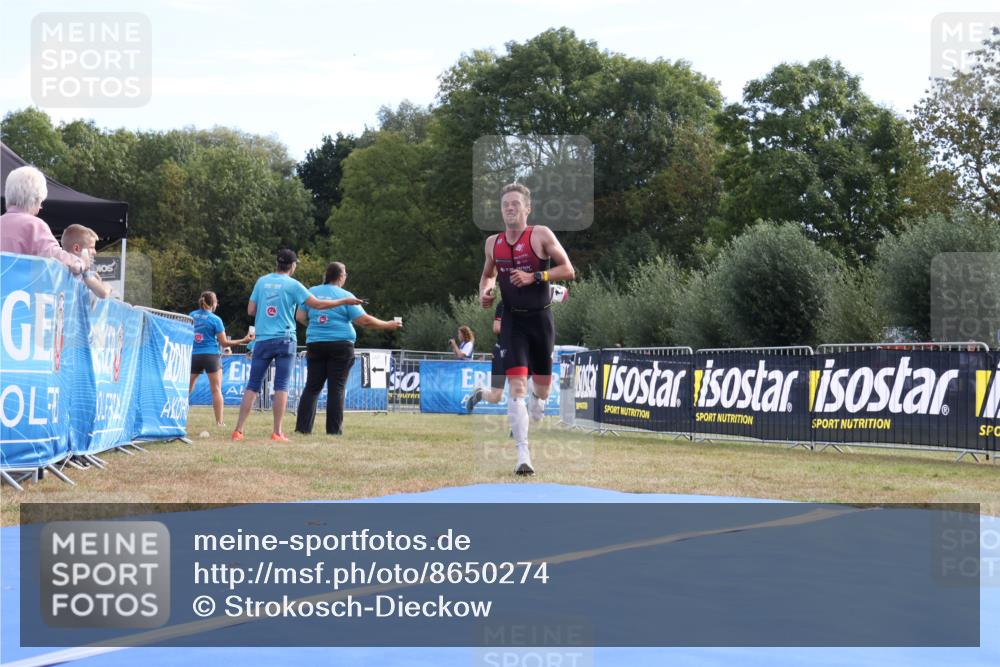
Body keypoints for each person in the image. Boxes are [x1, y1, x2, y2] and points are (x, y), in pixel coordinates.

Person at [479, 183, 575, 475]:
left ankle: (538, 400)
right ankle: (523, 455)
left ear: (527, 208)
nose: (509, 208)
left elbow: (568, 270)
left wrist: (536, 276)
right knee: (516, 388)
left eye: (515, 204)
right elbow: (487, 275)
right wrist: (486, 291)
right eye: (505, 204)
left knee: (541, 392)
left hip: (540, 320)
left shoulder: (541, 235)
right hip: (512, 321)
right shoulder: (492, 243)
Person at [231, 249, 363, 442]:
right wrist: (345, 300)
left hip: (262, 340)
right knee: (281, 386)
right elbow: (317, 305)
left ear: (277, 264)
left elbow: (251, 310)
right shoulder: (294, 285)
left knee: (253, 385)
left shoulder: (262, 281)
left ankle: (238, 430)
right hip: (285, 339)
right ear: (293, 266)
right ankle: (277, 432)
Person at [293, 262, 403, 436]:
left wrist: (316, 326)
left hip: (315, 343)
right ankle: (333, 431)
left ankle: (302, 429)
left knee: (312, 387)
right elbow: (364, 321)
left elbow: (299, 316)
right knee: (336, 388)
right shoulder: (345, 295)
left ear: (326, 275)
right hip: (341, 345)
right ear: (341, 277)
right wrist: (388, 324)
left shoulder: (311, 291)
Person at [1, 166, 90, 274]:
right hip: (20, 290)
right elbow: (57, 258)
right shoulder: (34, 226)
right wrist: (81, 263)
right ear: (34, 199)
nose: (40, 207)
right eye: (40, 202)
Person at [188, 291, 254, 427]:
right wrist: (244, 340)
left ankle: (179, 415)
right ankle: (219, 422)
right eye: (217, 301)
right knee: (216, 390)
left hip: (194, 355)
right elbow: (224, 343)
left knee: (187, 388)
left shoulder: (192, 316)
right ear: (213, 303)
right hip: (211, 356)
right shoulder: (215, 319)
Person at [465, 303, 506, 410]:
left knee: (520, 388)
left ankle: (519, 424)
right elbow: (496, 328)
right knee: (496, 397)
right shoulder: (503, 304)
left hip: (520, 353)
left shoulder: (529, 302)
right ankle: (480, 394)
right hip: (501, 352)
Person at [60, 224, 112, 299]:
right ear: (76, 248)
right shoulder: (83, 272)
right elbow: (103, 293)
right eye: (91, 247)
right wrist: (108, 287)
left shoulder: (57, 267)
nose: (94, 252)